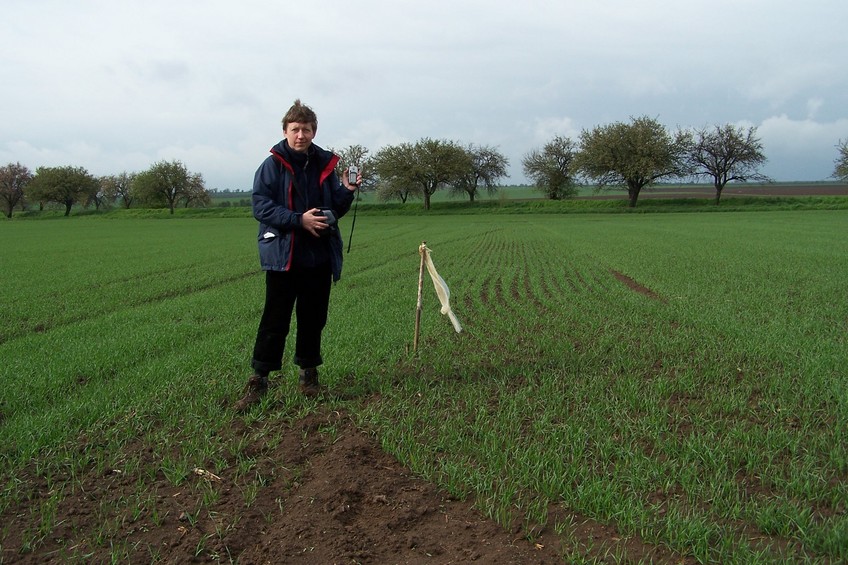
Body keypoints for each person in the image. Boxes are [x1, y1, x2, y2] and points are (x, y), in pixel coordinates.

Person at [235, 99, 360, 411]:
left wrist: (345, 191)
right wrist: (298, 219)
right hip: (283, 255)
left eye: (306, 129)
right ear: (285, 131)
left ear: (314, 132)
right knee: (274, 320)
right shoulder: (272, 166)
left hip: (317, 255)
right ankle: (259, 380)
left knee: (313, 319)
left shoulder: (324, 165)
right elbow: (260, 206)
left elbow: (335, 208)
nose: (300, 135)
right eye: (295, 129)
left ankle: (308, 377)